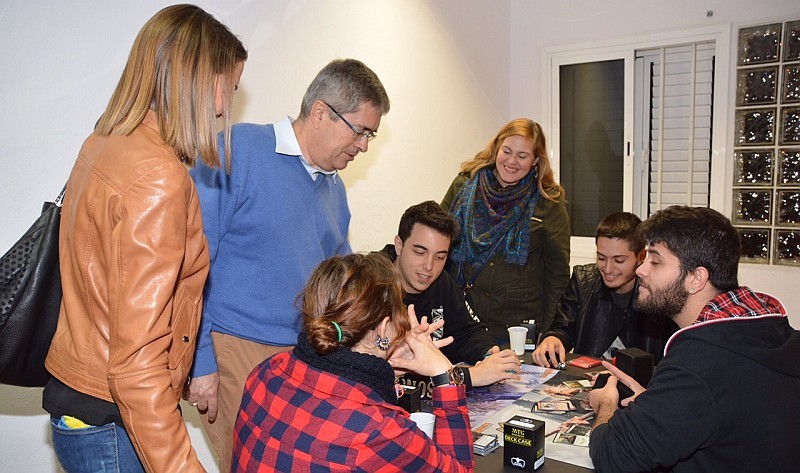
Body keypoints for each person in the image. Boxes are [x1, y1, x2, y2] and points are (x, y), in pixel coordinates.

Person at [41, 5, 246, 472]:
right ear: (197, 78)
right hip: (115, 424)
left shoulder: (105, 141)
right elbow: (137, 363)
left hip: (80, 406)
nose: (222, 108)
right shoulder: (159, 178)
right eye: (228, 89)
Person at [187, 58, 390, 469]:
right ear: (320, 113)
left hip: (305, 355)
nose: (365, 145)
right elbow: (191, 264)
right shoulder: (237, 150)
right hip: (236, 348)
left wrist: (388, 330)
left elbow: (341, 288)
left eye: (371, 135)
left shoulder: (334, 189)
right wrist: (200, 361)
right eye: (361, 131)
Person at [588, 206, 800, 472]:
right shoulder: (766, 327)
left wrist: (606, 404)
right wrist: (658, 402)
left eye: (655, 261)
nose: (641, 270)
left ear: (696, 279)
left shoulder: (698, 362)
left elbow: (612, 456)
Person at [231, 253, 474, 472]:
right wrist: (445, 375)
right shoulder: (377, 431)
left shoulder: (266, 372)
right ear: (382, 329)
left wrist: (386, 371)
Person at [441, 118, 570, 340]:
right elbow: (439, 242)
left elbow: (557, 274)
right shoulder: (464, 185)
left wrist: (549, 331)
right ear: (496, 148)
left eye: (522, 156)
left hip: (516, 329)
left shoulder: (549, 200)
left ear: (536, 160)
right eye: (507, 151)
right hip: (462, 320)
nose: (512, 161)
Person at [380, 201, 521, 396]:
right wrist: (472, 376)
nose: (429, 266)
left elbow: (467, 331)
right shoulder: (371, 285)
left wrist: (491, 355)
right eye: (420, 252)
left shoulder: (440, 282)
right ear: (399, 245)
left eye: (440, 257)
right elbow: (382, 371)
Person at [533, 212, 677, 367]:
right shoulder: (583, 280)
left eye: (619, 260)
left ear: (641, 256)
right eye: (601, 258)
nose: (608, 269)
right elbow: (563, 327)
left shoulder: (659, 290)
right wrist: (553, 339)